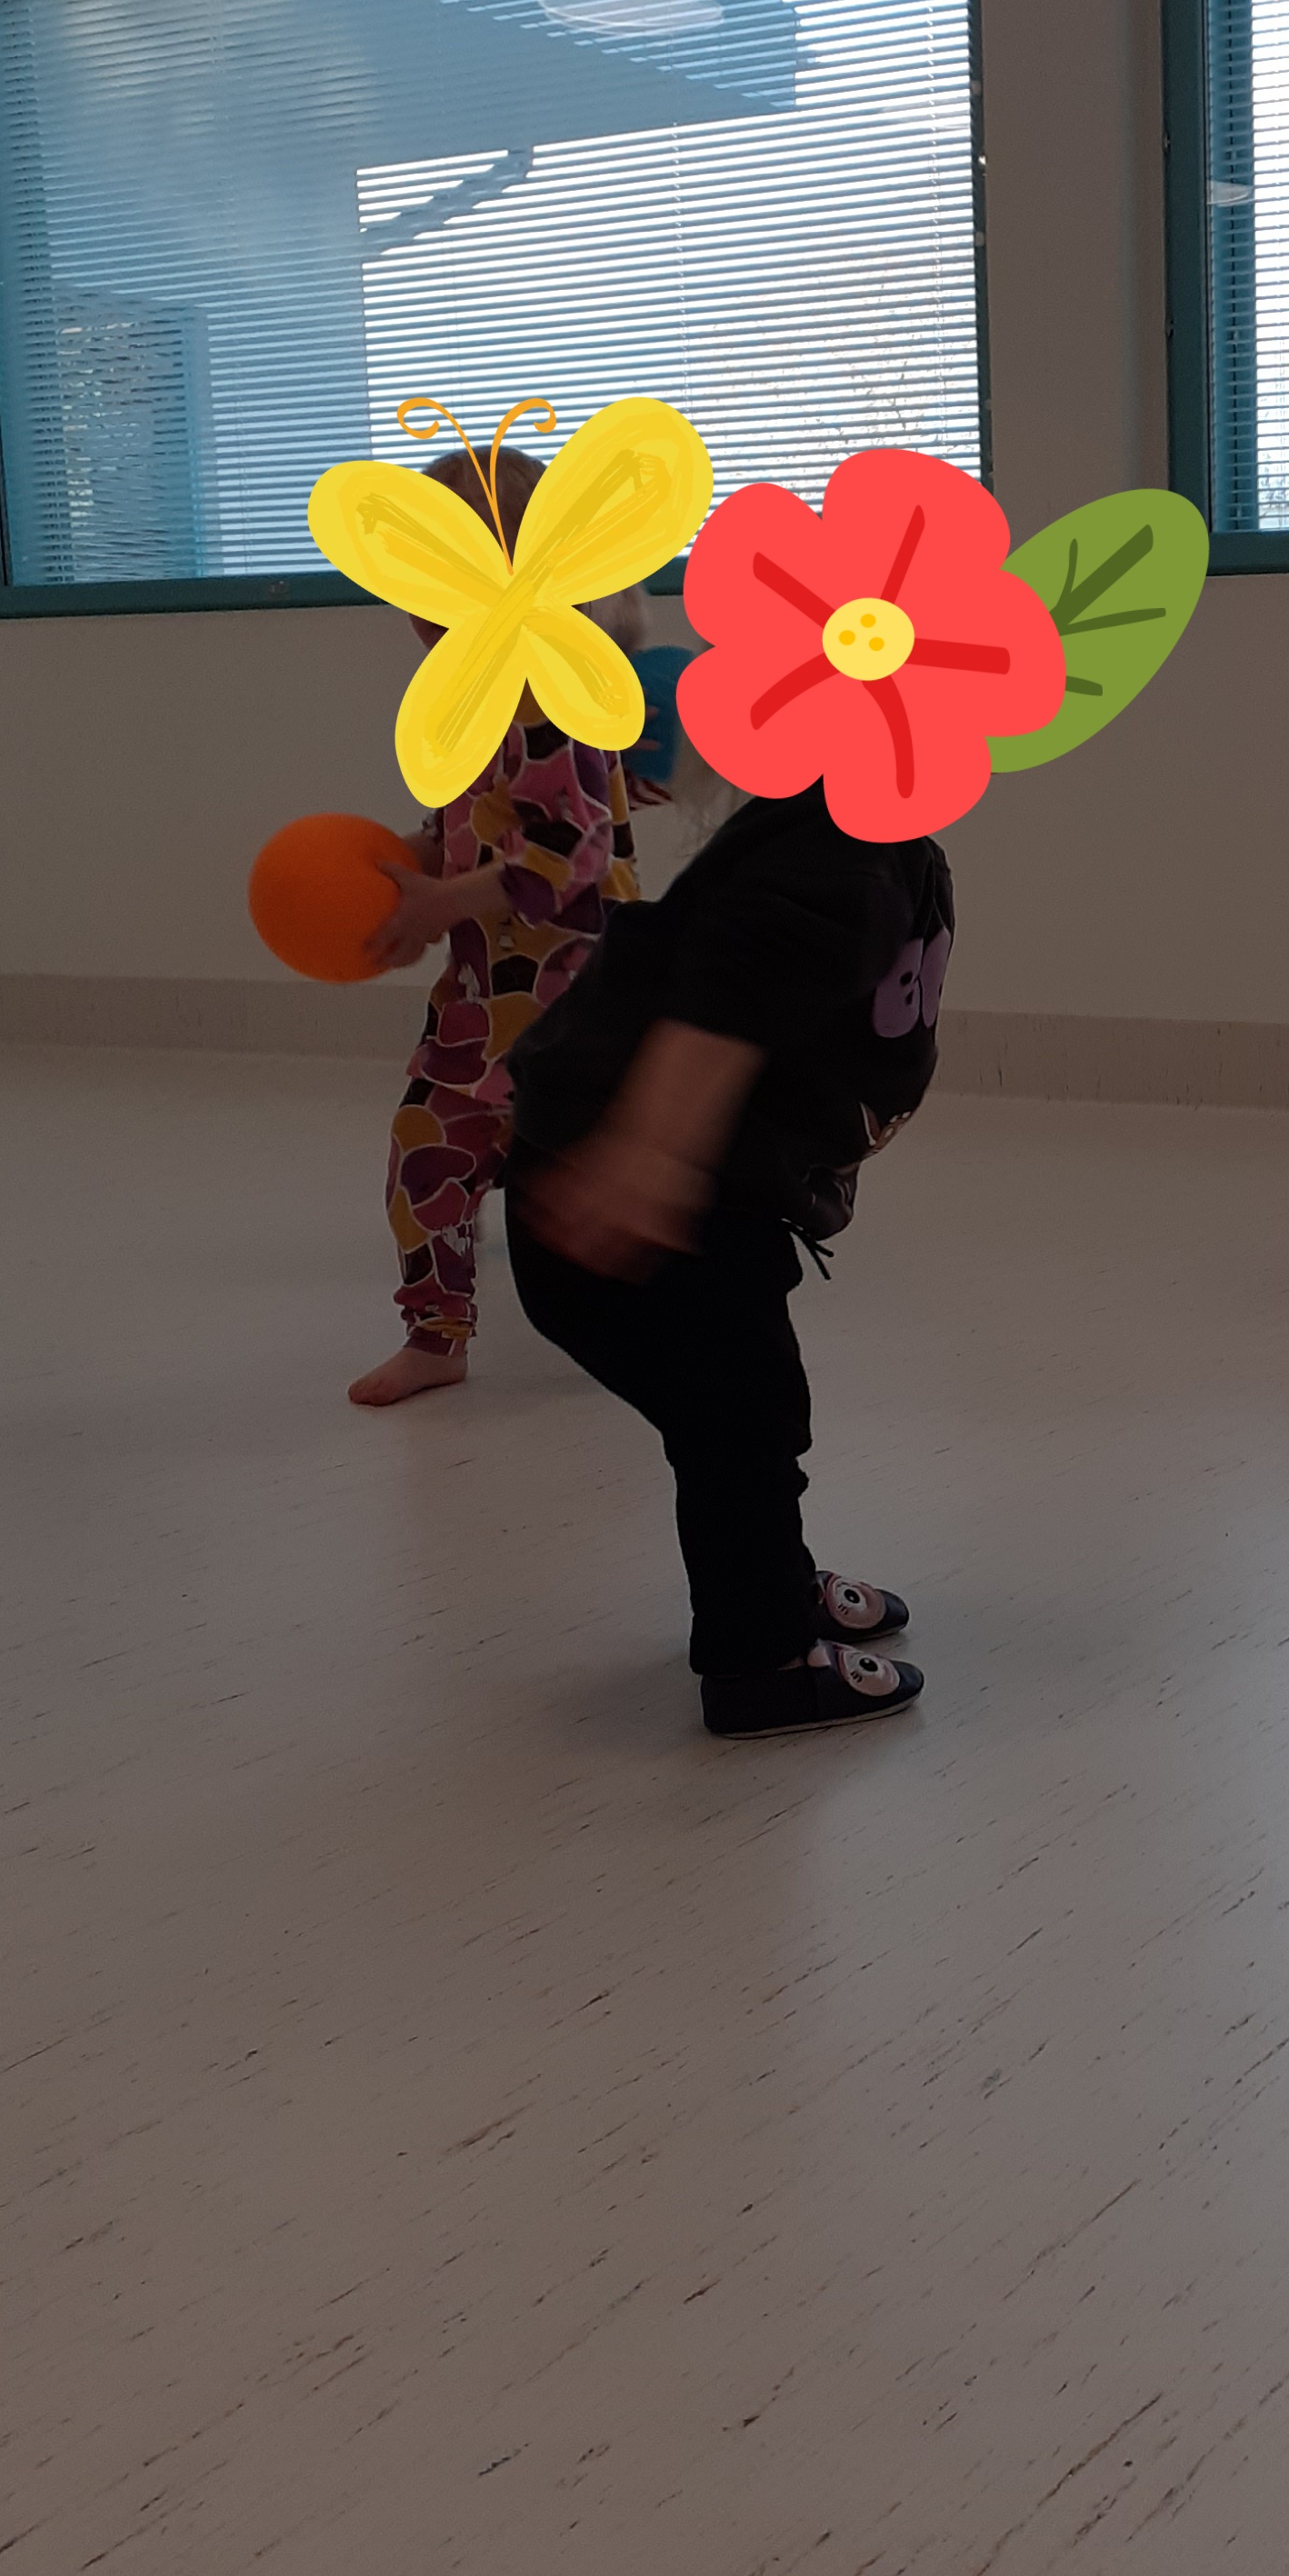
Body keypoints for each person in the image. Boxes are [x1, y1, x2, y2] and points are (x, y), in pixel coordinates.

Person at [502, 779, 953, 1743]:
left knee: (741, 1414)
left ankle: (773, 1583)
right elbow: (733, 982)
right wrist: (649, 1152)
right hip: (641, 1186)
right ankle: (761, 1661)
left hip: (691, 1181)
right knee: (742, 1418)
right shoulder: (843, 846)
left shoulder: (875, 832)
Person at [346, 449, 647, 1410]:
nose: (413, 608)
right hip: (484, 995)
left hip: (576, 992)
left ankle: (647, 1327)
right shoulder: (471, 697)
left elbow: (572, 854)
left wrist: (442, 902)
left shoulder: (551, 691)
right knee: (424, 1147)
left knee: (591, 1180)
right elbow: (471, 819)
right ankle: (435, 1336)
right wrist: (406, 860)